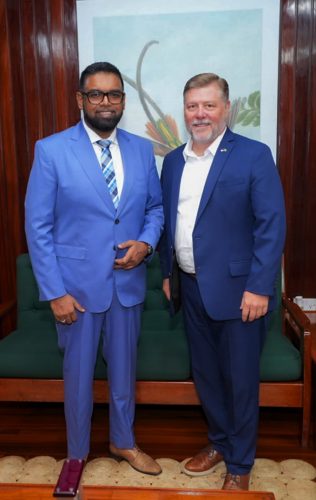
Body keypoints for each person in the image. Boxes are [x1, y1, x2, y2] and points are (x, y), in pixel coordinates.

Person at [25, 62, 164, 475]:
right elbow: (38, 227)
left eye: (115, 94)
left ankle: (124, 441)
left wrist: (146, 243)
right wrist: (54, 292)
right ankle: (76, 454)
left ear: (124, 100)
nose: (106, 102)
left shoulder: (142, 150)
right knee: (78, 381)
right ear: (80, 99)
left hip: (128, 284)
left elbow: (154, 209)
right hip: (76, 292)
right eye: (96, 94)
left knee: (124, 375)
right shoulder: (51, 150)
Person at [159, 73, 286, 490]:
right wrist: (167, 273)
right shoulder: (174, 160)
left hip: (239, 292)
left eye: (208, 105)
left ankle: (241, 464)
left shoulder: (252, 155)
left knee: (240, 380)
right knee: (207, 375)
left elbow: (272, 225)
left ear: (225, 108)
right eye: (193, 105)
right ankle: (218, 443)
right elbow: (169, 222)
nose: (200, 114)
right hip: (190, 287)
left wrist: (259, 286)